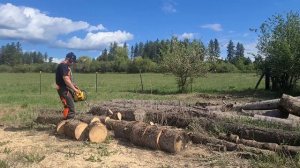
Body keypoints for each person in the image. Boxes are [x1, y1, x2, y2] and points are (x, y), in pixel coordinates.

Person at [55, 52, 80, 119]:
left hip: (65, 88)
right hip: (63, 89)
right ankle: (68, 123)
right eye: (72, 61)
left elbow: (67, 80)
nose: (73, 63)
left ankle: (66, 122)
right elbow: (66, 79)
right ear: (69, 59)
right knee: (70, 109)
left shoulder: (65, 66)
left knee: (70, 104)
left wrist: (73, 85)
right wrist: (75, 90)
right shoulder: (63, 66)